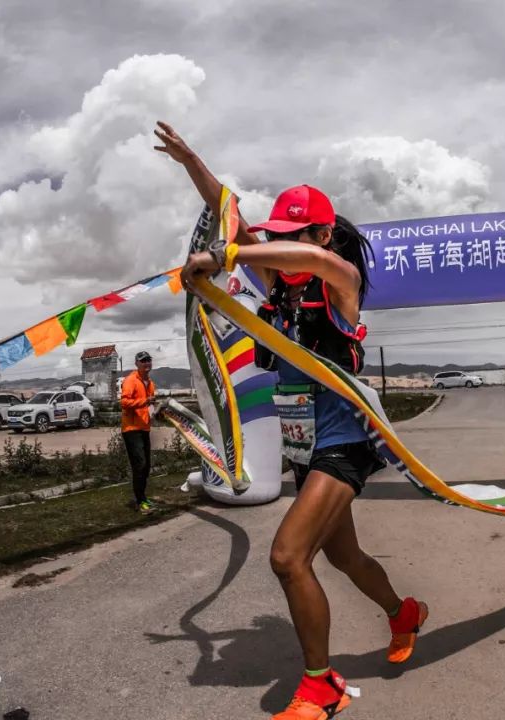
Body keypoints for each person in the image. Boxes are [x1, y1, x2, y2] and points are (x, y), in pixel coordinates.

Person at [155, 122, 427, 720]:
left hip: (346, 441)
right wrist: (193, 163)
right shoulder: (277, 286)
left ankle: (321, 686)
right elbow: (232, 218)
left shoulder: (341, 281)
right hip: (307, 447)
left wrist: (225, 256)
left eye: (293, 234)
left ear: (323, 235)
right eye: (275, 235)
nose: (279, 246)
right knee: (344, 557)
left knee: (287, 557)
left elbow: (298, 256)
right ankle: (404, 613)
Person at [121, 350, 157, 515]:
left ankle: (142, 497)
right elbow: (124, 402)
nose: (146, 363)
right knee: (140, 465)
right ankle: (140, 501)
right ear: (137, 363)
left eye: (148, 360)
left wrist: (155, 412)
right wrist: (145, 401)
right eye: (143, 361)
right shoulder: (130, 380)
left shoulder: (150, 383)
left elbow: (150, 405)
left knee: (146, 466)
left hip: (144, 428)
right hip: (131, 429)